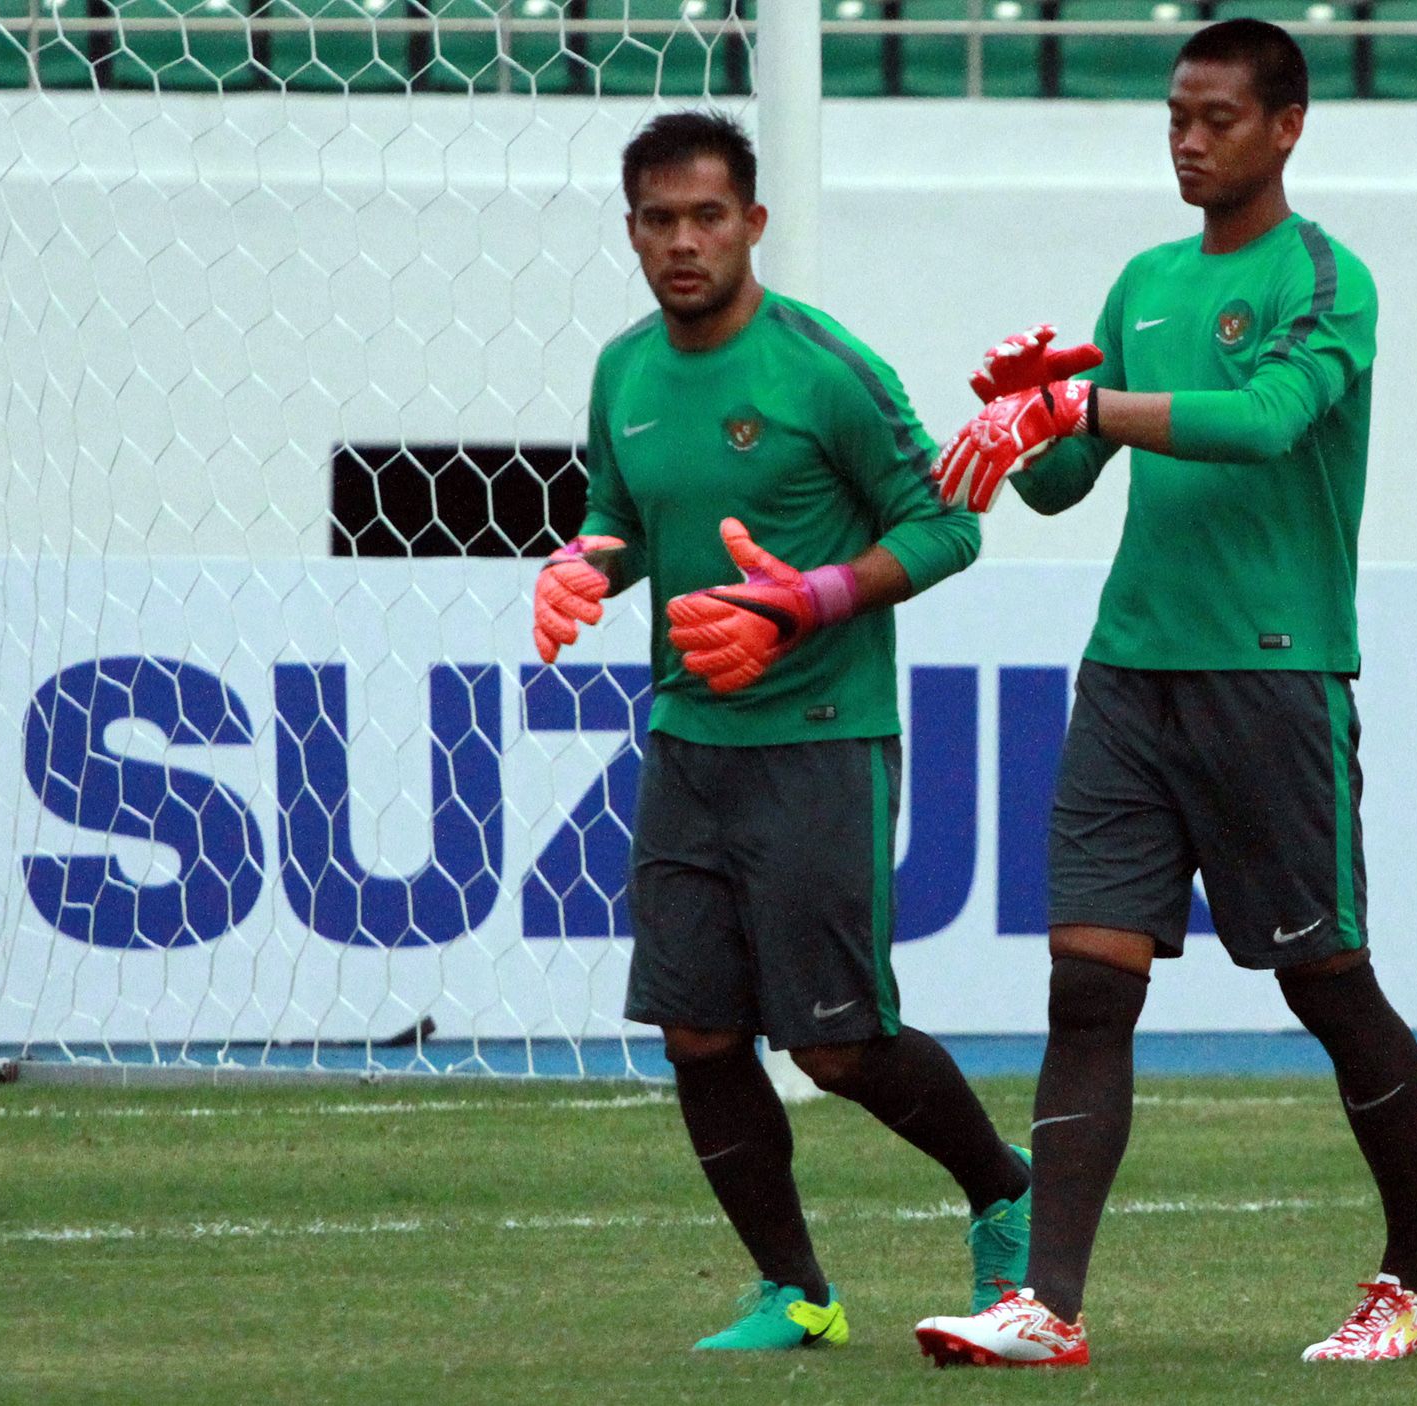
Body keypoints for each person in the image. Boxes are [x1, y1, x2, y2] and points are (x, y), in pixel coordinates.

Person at [909, 20, 1417, 1368]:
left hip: (1273, 676)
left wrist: (1088, 411)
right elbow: (1055, 482)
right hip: (1132, 674)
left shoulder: (1328, 278)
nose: (1189, 139)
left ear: (1287, 126)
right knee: (1089, 984)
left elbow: (1266, 422)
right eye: (1175, 116)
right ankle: (1047, 1303)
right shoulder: (1144, 281)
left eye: (1216, 117)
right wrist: (1031, 411)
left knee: (1329, 985)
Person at [530, 109, 1030, 1353]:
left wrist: (813, 597)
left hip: (821, 732)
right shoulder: (623, 369)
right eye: (660, 220)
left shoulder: (824, 368)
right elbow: (617, 511)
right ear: (632, 231)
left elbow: (949, 524)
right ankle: (798, 1293)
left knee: (836, 1041)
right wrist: (584, 564)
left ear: (754, 223)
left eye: (709, 217)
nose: (684, 242)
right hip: (689, 740)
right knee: (696, 1030)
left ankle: (1006, 1191)